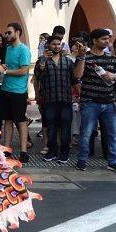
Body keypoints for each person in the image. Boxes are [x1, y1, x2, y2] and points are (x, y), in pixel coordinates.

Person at [73, 28, 116, 172]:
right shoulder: (85, 57)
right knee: (86, 133)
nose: (107, 41)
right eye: (104, 39)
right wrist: (82, 57)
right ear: (94, 40)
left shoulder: (112, 59)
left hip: (109, 102)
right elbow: (77, 76)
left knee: (114, 134)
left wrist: (114, 76)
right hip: (90, 102)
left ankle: (113, 161)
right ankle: (82, 160)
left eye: (108, 39)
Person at [34, 35, 77, 163]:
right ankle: (52, 151)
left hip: (65, 99)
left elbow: (74, 79)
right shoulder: (42, 61)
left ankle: (64, 152)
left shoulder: (68, 61)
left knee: (65, 128)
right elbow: (38, 76)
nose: (56, 46)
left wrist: (78, 94)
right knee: (51, 128)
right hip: (50, 100)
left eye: (58, 44)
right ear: (49, 45)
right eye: (54, 44)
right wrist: (43, 61)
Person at [0, 22, 31, 163]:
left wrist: (5, 71)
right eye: (6, 33)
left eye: (9, 32)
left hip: (18, 91)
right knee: (7, 120)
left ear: (17, 32)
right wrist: (4, 67)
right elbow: (9, 66)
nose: (7, 35)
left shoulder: (24, 50)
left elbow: (24, 70)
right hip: (5, 89)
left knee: (21, 121)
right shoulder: (8, 49)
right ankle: (7, 150)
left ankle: (23, 151)